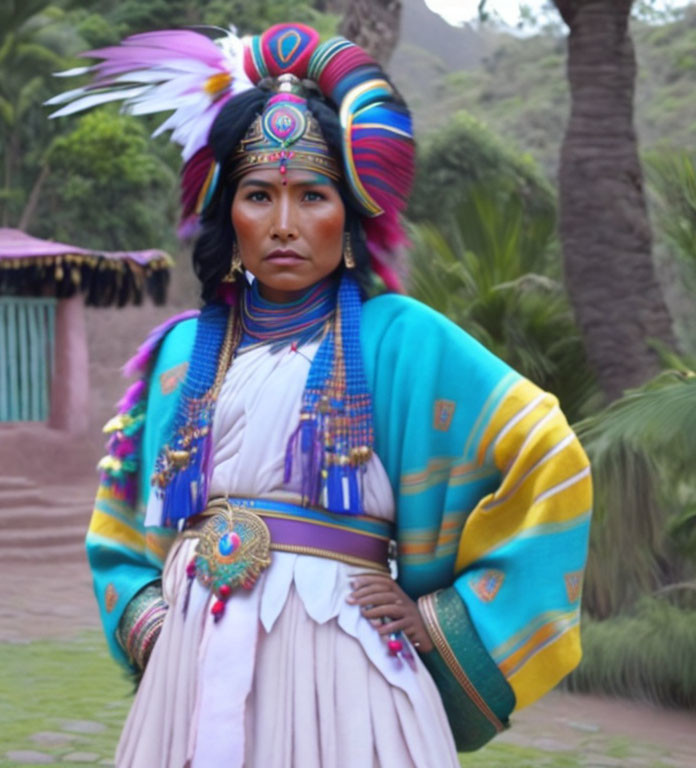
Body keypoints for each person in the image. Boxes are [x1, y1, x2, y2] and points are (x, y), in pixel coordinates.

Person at [52, 23, 592, 768]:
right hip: (186, 671)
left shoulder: (400, 338)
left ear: (349, 216)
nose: (282, 225)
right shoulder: (181, 352)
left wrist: (442, 617)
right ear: (226, 212)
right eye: (257, 195)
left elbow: (548, 458)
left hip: (347, 675)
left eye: (311, 195)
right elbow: (119, 529)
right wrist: (154, 627)